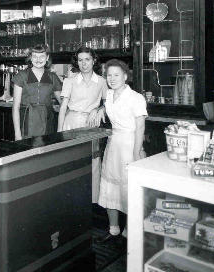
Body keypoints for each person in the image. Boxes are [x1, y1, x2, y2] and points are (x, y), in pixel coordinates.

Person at [96, 59, 147, 243]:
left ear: (125, 76)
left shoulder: (136, 98)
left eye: (116, 75)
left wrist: (136, 153)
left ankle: (128, 232)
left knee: (129, 189)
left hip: (129, 145)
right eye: (109, 75)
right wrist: (101, 109)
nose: (112, 78)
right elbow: (109, 105)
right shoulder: (109, 95)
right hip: (113, 144)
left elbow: (140, 127)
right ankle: (113, 229)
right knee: (111, 187)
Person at [57, 47, 108, 203]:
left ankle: (91, 200)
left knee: (92, 162)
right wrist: (59, 131)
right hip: (71, 123)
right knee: (69, 161)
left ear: (94, 60)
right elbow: (63, 106)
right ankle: (69, 198)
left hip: (90, 125)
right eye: (80, 60)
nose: (84, 63)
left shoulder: (102, 81)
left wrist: (98, 109)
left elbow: (108, 104)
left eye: (87, 59)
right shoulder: (70, 81)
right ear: (77, 62)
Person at [12, 44, 62, 140]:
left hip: (47, 123)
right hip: (26, 122)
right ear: (30, 58)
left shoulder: (53, 77)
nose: (38, 60)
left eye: (42, 56)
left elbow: (63, 102)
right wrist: (17, 134)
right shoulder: (21, 76)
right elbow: (15, 107)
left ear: (47, 58)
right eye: (35, 56)